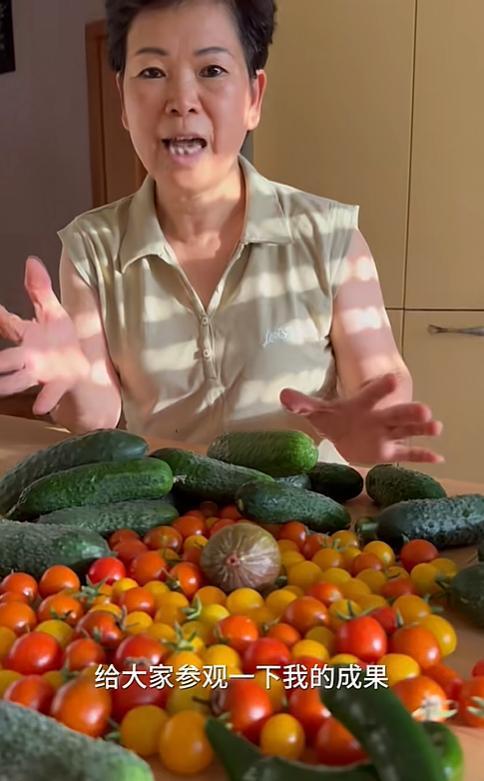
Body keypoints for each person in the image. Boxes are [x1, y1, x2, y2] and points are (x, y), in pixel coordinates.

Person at [0, 0, 443, 466]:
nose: (181, 100)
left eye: (211, 70)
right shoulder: (91, 248)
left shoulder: (330, 237)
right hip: (169, 508)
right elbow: (98, 415)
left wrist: (370, 423)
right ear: (123, 102)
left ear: (254, 98)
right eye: (152, 72)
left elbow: (380, 380)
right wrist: (72, 379)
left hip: (304, 509)